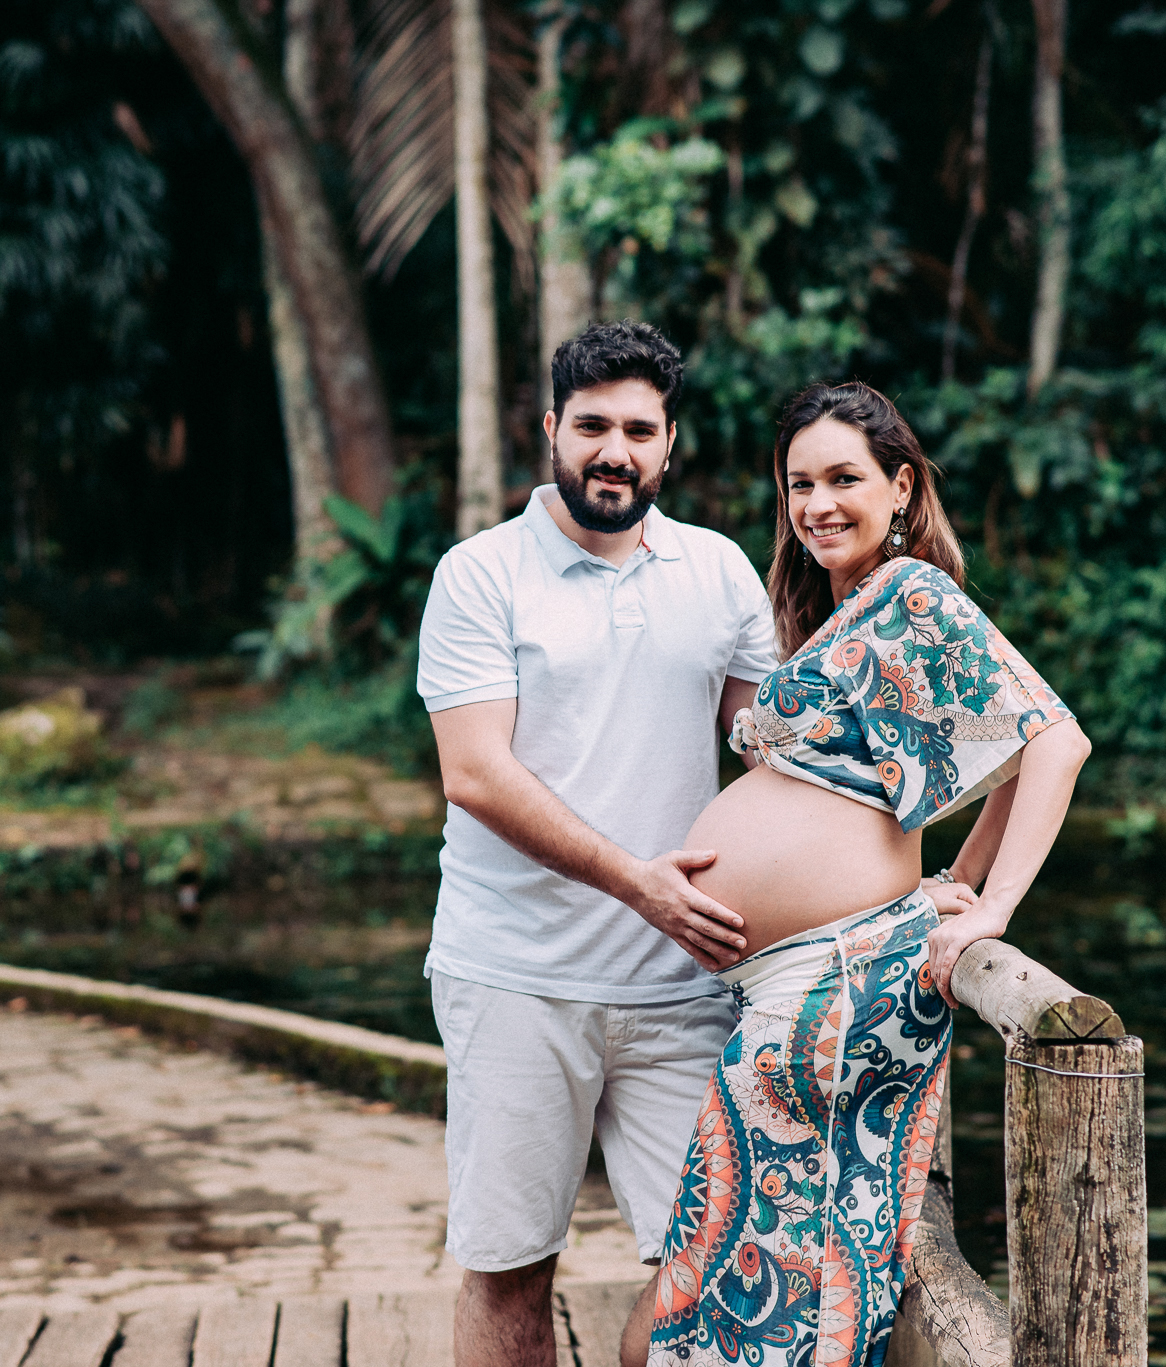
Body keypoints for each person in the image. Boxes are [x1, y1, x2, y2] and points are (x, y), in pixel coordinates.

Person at [619, 382, 1092, 1367]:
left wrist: (985, 907)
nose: (817, 503)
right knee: (700, 1312)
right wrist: (948, 876)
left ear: (900, 485)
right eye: (798, 483)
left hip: (831, 993)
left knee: (745, 1318)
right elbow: (992, 755)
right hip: (795, 987)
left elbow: (1049, 740)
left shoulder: (909, 591)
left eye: (843, 477)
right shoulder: (848, 608)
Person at [418, 320, 779, 1367]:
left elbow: (770, 761)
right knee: (509, 1267)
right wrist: (639, 883)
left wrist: (908, 883)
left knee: (716, 1261)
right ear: (550, 431)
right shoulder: (479, 574)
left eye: (636, 428)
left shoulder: (717, 573)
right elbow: (474, 771)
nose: (612, 449)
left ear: (668, 445)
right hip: (514, 976)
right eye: (590, 426)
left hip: (683, 985)